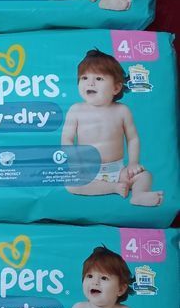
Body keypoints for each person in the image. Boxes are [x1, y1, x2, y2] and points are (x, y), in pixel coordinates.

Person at [61, 48, 162, 206]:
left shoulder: (122, 110)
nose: (90, 83)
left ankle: (139, 195)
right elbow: (67, 138)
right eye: (84, 77)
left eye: (99, 78)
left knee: (145, 176)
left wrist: (133, 163)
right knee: (71, 184)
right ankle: (113, 188)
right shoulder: (76, 110)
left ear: (116, 88)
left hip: (118, 170)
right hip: (88, 170)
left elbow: (133, 138)